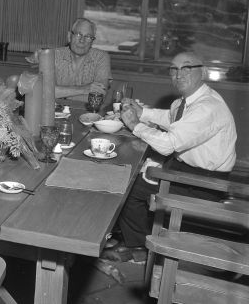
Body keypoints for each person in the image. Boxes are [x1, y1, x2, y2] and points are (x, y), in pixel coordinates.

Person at [102, 51, 237, 263]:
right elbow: (170, 117)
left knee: (129, 185)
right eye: (174, 69)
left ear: (202, 71)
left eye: (186, 68)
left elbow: (168, 145)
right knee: (134, 170)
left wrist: (135, 125)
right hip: (185, 170)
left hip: (204, 184)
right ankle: (133, 235)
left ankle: (139, 247)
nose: (178, 74)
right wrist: (142, 112)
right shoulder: (188, 101)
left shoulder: (207, 107)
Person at [25, 17, 112, 101]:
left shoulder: (101, 57)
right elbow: (42, 91)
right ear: (69, 36)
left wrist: (60, 94)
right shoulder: (53, 55)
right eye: (78, 34)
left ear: (92, 41)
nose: (82, 40)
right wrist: (84, 89)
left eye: (88, 37)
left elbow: (99, 96)